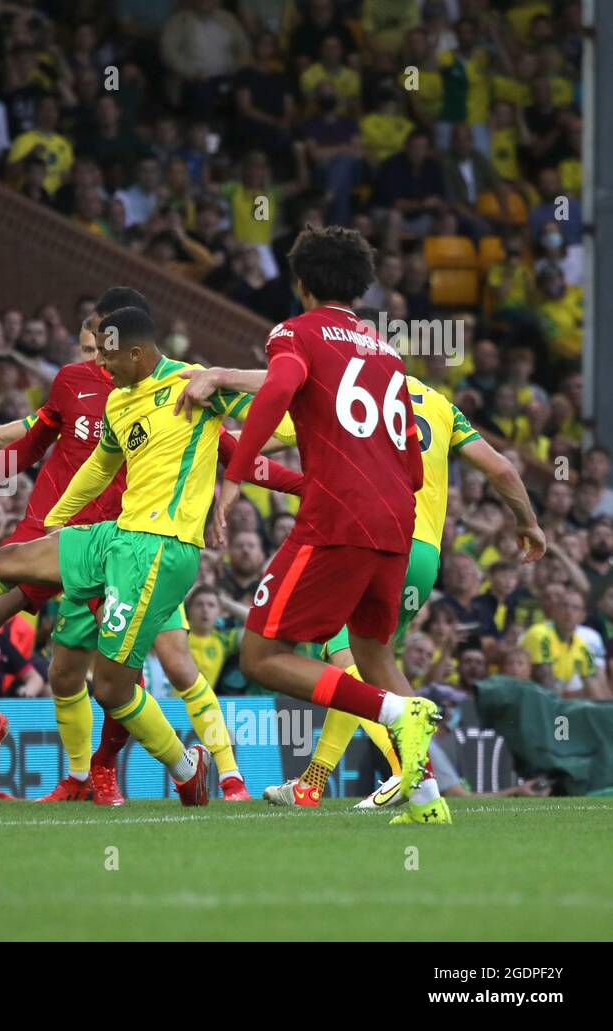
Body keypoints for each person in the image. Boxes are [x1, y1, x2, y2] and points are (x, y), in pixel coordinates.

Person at [0, 307, 304, 805]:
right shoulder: (111, 399)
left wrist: (231, 389)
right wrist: (56, 518)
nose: (100, 367)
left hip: (158, 553)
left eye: (105, 356)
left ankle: (194, 768)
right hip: (108, 536)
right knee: (12, 571)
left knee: (120, 685)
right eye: (94, 355)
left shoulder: (193, 385)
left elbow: (278, 407)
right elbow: (89, 465)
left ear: (134, 351)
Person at [174, 225, 446, 824]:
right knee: (374, 650)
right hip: (398, 517)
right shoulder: (386, 352)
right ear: (361, 284)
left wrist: (234, 478)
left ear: (300, 282)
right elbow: (411, 458)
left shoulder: (292, 332)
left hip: (338, 517)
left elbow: (280, 388)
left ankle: (398, 714)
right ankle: (426, 801)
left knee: (263, 654)